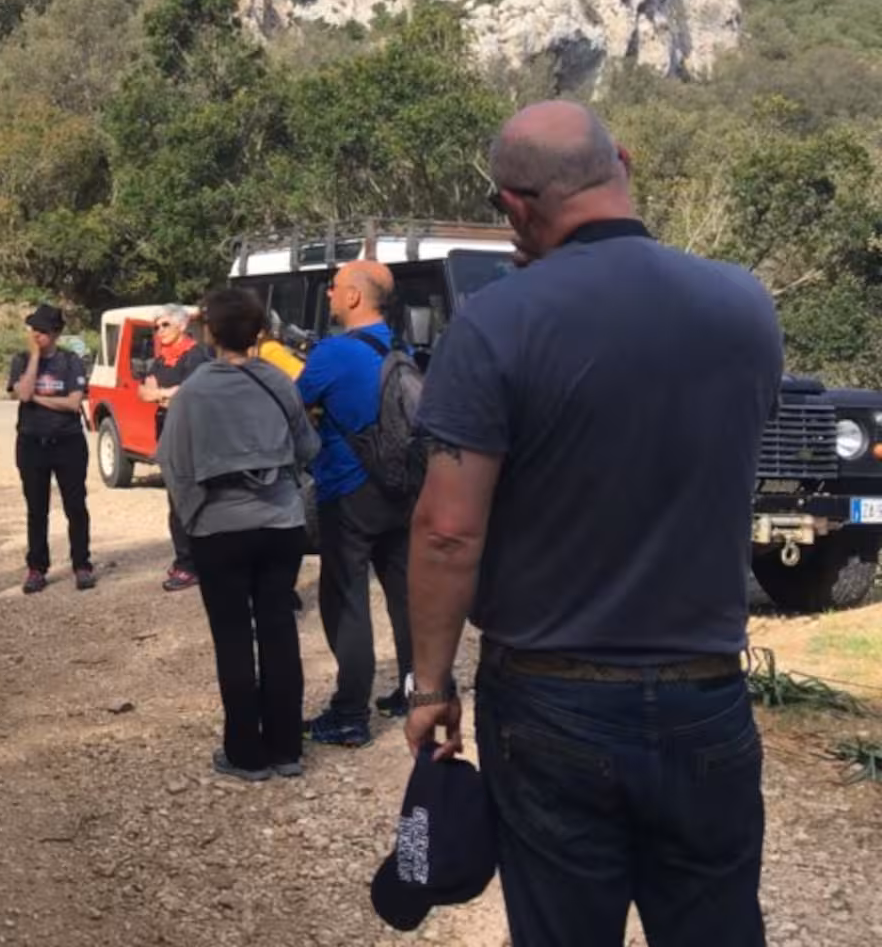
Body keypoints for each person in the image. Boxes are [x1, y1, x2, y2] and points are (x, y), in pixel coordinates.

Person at [407, 101, 782, 947]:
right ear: (624, 160)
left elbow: (446, 532)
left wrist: (430, 686)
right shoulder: (746, 306)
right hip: (707, 697)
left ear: (514, 206)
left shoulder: (498, 321)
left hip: (551, 702)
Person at [159, 288, 318, 782]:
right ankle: (287, 749)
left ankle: (246, 754)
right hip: (281, 524)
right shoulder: (279, 382)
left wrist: (194, 514)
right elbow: (307, 446)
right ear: (258, 332)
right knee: (278, 629)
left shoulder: (197, 390)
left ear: (209, 332)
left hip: (219, 528)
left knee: (232, 637)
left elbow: (172, 462)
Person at [299, 259, 412, 746]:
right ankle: (416, 691)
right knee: (405, 596)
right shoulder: (400, 346)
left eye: (333, 288)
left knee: (346, 600)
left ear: (352, 297)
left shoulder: (332, 352)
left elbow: (294, 403)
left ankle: (350, 714)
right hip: (404, 488)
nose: (328, 295)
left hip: (348, 489)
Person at [7, 303, 94, 593]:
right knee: (36, 509)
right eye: (33, 329)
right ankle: (36, 567)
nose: (36, 335)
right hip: (32, 443)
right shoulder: (21, 360)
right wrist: (34, 358)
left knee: (75, 506)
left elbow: (72, 403)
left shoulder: (70, 362)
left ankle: (82, 564)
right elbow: (21, 393)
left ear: (56, 333)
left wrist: (36, 399)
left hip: (68, 442)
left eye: (42, 331)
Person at [139, 304, 212, 593]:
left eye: (164, 325)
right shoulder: (161, 359)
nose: (159, 331)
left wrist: (164, 394)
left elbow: (192, 390)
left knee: (190, 497)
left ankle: (192, 564)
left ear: (182, 326)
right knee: (174, 498)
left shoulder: (197, 356)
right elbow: (145, 391)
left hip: (191, 435)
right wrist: (166, 395)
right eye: (155, 327)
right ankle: (185, 560)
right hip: (166, 433)